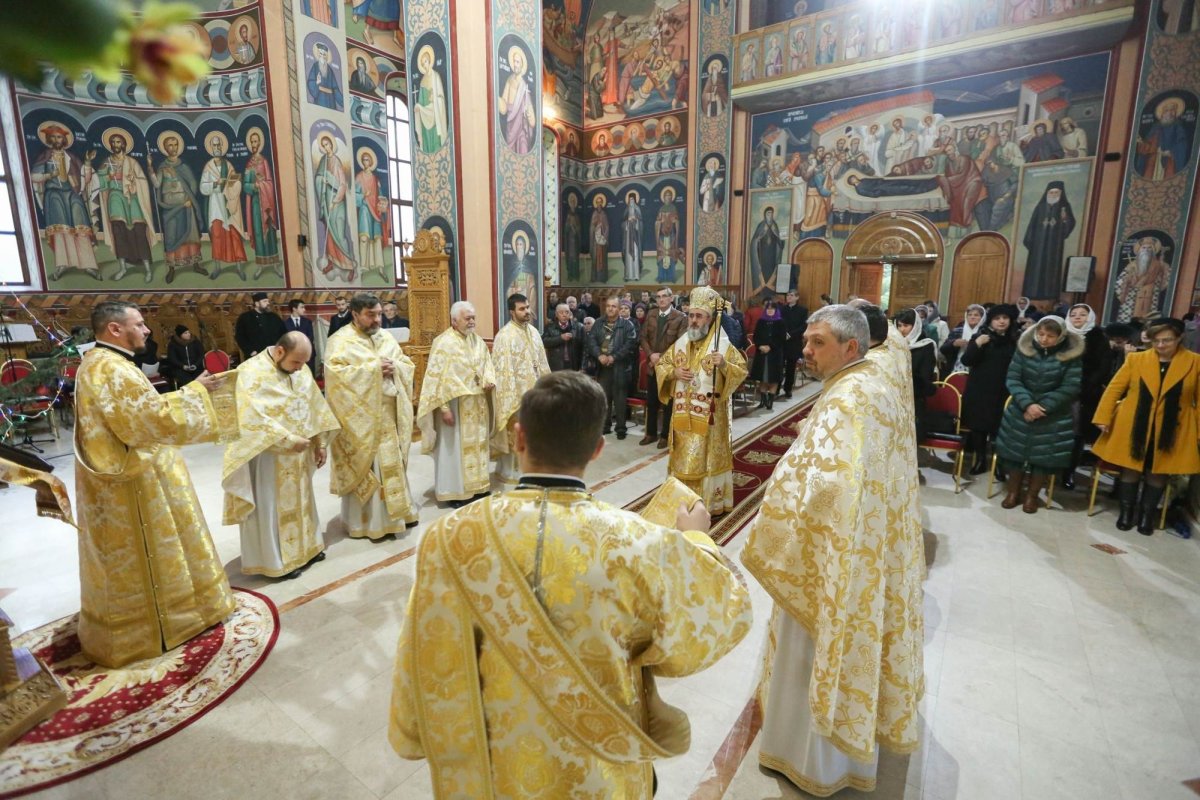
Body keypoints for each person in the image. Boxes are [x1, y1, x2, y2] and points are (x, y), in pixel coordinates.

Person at [388, 371, 752, 797]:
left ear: (519, 438)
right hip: (597, 765)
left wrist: (415, 731)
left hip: (494, 764)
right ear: (597, 449)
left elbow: (426, 648)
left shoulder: (447, 537)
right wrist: (697, 540)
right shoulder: (640, 542)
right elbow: (714, 622)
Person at [741, 304, 924, 796]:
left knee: (813, 656)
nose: (805, 350)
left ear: (850, 347)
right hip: (859, 554)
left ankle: (809, 760)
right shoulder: (870, 388)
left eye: (816, 342)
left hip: (827, 561)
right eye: (806, 341)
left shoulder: (850, 399)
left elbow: (822, 490)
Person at [73, 301, 234, 667]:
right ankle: (164, 622)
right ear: (115, 329)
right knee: (149, 549)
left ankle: (139, 626)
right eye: (140, 324)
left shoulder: (95, 363)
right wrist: (196, 392)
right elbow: (150, 421)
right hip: (132, 481)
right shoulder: (114, 369)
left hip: (110, 478)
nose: (147, 330)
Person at [222, 332, 340, 578]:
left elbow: (314, 405)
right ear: (279, 352)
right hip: (268, 456)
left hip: (300, 453)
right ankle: (277, 561)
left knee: (303, 500)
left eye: (303, 363)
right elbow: (249, 416)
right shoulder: (250, 373)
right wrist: (286, 440)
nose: (299, 369)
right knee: (271, 506)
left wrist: (320, 443)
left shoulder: (300, 369)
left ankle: (308, 548)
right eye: (295, 362)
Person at [1092, 318, 1200, 535]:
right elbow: (1115, 389)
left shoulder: (1195, 362)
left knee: (1158, 471)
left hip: (1173, 427)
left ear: (1179, 338)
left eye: (1166, 340)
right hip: (1134, 422)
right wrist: (1103, 417)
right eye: (1156, 340)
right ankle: (1126, 512)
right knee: (1130, 468)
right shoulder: (1137, 359)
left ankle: (1147, 515)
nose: (1160, 345)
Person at [325, 294, 421, 538]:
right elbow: (336, 377)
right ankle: (368, 523)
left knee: (392, 465)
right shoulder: (340, 341)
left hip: (388, 414)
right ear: (355, 314)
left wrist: (395, 368)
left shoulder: (385, 336)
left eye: (378, 313)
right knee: (370, 467)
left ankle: (400, 512)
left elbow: (406, 364)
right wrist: (373, 370)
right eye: (371, 315)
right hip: (361, 420)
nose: (377, 319)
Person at [655, 287, 748, 515]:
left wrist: (724, 365)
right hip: (681, 417)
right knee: (682, 459)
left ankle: (707, 501)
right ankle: (681, 496)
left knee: (704, 459)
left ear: (710, 318)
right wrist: (674, 373)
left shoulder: (722, 345)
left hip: (710, 419)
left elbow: (741, 370)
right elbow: (662, 365)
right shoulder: (681, 343)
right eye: (691, 315)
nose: (693, 321)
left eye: (699, 316)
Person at [995, 316, 1083, 513]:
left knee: (1042, 458)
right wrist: (1027, 404)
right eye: (1041, 334)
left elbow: (1070, 386)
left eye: (1050, 336)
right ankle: (1012, 493)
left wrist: (1041, 407)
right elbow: (1013, 378)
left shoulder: (1070, 355)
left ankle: (1032, 497)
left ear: (1060, 337)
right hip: (1021, 410)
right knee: (1015, 454)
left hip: (1052, 414)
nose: (1044, 339)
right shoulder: (1025, 349)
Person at [417, 301, 496, 506]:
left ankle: (478, 487)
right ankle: (455, 492)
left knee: (478, 446)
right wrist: (443, 408)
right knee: (453, 449)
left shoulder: (477, 340)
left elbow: (487, 363)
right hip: (454, 405)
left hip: (477, 403)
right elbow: (436, 377)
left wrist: (489, 379)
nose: (472, 322)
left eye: (473, 318)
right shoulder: (443, 343)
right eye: (467, 318)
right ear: (454, 320)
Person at [490, 293, 551, 484]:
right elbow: (503, 370)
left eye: (527, 307)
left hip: (536, 395)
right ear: (512, 312)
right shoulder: (505, 336)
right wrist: (512, 398)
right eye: (522, 309)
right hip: (516, 398)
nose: (527, 312)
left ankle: (532, 467)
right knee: (515, 434)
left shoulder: (533, 332)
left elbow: (541, 362)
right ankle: (510, 471)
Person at [30, 124, 100, 280]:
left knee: (81, 228)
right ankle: (62, 265)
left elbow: (85, 179)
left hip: (72, 194)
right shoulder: (45, 156)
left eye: (59, 136)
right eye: (53, 137)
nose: (56, 140)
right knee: (61, 230)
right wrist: (49, 175)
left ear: (64, 139)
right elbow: (33, 176)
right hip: (54, 194)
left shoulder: (72, 158)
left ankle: (89, 265)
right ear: (49, 139)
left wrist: (87, 163)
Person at [1062, 304, 1115, 489]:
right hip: (1059, 391)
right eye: (1074, 314)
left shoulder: (1098, 338)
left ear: (1090, 317)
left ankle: (1068, 472)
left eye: (1082, 315)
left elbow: (1103, 366)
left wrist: (1085, 385)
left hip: (1084, 393)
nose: (1078, 318)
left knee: (1076, 435)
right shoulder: (1061, 335)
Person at [961, 304, 1018, 474]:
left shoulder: (1015, 340)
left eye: (1005, 318)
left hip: (1003, 389)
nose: (1001, 322)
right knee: (978, 426)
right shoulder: (981, 337)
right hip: (980, 388)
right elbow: (967, 360)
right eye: (997, 318)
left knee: (1000, 428)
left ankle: (998, 462)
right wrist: (977, 344)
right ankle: (980, 460)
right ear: (991, 321)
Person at [148, 133, 207, 282]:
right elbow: (156, 184)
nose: (173, 148)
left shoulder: (183, 166)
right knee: (171, 237)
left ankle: (196, 264)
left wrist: (189, 199)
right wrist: (149, 166)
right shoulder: (162, 167)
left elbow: (192, 183)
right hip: (170, 208)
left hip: (186, 205)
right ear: (165, 148)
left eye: (175, 145)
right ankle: (172, 268)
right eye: (170, 145)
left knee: (190, 235)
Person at [639, 287, 688, 447]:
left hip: (669, 369)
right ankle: (650, 433)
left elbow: (680, 343)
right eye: (658, 297)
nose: (661, 299)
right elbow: (643, 337)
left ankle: (665, 436)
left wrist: (661, 359)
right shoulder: (651, 314)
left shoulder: (680, 317)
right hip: (652, 365)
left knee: (667, 403)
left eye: (664, 297)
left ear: (671, 298)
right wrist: (651, 354)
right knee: (651, 401)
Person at [587, 296, 639, 440]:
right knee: (605, 397)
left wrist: (613, 357)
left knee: (620, 399)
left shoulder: (627, 325)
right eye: (608, 306)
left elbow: (630, 345)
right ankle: (605, 426)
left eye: (614, 306)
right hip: (602, 366)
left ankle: (621, 428)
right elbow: (591, 341)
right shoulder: (598, 323)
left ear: (619, 308)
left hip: (620, 367)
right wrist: (599, 356)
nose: (610, 308)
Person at [200, 134, 249, 281]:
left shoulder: (228, 165)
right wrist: (215, 184)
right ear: (210, 148)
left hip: (228, 206)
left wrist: (231, 183)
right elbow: (203, 188)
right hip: (215, 208)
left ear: (222, 147)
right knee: (217, 237)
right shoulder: (208, 167)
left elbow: (235, 182)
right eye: (214, 146)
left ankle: (239, 268)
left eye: (219, 145)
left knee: (234, 237)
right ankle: (217, 268)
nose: (217, 148)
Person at [1021, 181, 1076, 299]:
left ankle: (1049, 293)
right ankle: (1032, 293)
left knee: (1051, 268)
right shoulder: (1040, 207)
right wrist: (1029, 240)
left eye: (1056, 192)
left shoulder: (1064, 207)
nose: (1053, 194)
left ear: (1061, 193)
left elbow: (1070, 223)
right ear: (1047, 193)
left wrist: (1065, 220)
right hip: (1038, 245)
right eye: (1051, 192)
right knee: (1035, 268)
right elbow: (1032, 224)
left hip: (1054, 246)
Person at [895, 308, 938, 443]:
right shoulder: (893, 345)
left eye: (906, 326)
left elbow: (925, 378)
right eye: (899, 325)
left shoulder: (926, 345)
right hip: (893, 398)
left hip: (914, 399)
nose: (902, 330)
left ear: (915, 326)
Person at [751, 295, 786, 409]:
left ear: (776, 310)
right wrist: (760, 346)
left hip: (775, 354)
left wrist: (770, 346)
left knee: (774, 378)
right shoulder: (761, 321)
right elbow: (756, 336)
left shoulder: (780, 322)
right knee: (762, 377)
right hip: (762, 354)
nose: (770, 311)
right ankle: (763, 400)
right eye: (768, 309)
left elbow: (781, 338)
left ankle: (770, 401)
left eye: (772, 309)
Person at [235, 292, 287, 360]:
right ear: (256, 303)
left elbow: (284, 334)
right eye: (264, 301)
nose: (268, 303)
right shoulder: (245, 318)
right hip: (255, 355)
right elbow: (240, 336)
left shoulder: (274, 317)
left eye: (268, 301)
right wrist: (251, 351)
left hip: (274, 354)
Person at [940, 303, 985, 373]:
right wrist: (953, 344)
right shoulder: (957, 331)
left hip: (976, 369)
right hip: (955, 367)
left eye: (976, 315)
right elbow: (943, 349)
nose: (972, 317)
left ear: (982, 317)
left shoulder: (984, 333)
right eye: (969, 315)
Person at [779, 290, 808, 399]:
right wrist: (784, 333)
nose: (789, 297)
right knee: (780, 365)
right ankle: (776, 388)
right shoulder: (782, 309)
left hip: (794, 341)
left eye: (791, 295)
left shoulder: (802, 310)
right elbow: (779, 322)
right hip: (782, 340)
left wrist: (790, 334)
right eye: (787, 295)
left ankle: (788, 389)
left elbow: (803, 326)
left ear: (797, 297)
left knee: (791, 367)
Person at [543, 302, 585, 371]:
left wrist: (583, 366)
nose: (564, 315)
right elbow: (544, 342)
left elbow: (584, 347)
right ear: (556, 314)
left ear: (570, 313)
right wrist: (560, 338)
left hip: (574, 364)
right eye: (561, 312)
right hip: (556, 364)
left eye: (567, 312)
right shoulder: (550, 327)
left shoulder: (578, 327)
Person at [163, 324, 204, 389]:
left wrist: (196, 365)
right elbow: (172, 358)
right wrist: (183, 366)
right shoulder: (173, 344)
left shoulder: (195, 342)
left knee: (199, 379)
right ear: (180, 335)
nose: (188, 334)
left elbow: (201, 355)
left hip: (196, 367)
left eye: (188, 332)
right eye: (185, 333)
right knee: (187, 381)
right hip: (181, 369)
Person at [284, 299, 316, 372]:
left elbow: (310, 338)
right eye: (302, 307)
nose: (304, 310)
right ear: (294, 309)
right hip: (293, 356)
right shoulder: (285, 323)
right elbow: (286, 340)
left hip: (308, 355)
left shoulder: (308, 322)